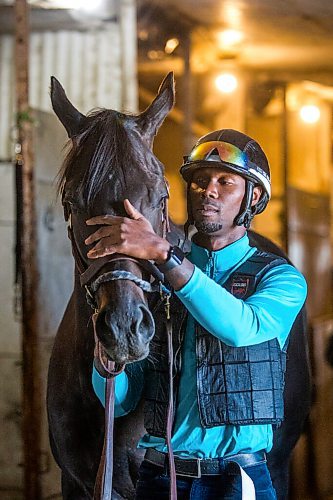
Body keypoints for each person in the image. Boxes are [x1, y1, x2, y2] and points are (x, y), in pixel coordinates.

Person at [85, 129, 307, 499]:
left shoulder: (280, 278)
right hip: (159, 477)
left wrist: (165, 255)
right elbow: (123, 400)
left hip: (237, 481)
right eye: (200, 181)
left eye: (226, 182)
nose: (210, 190)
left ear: (253, 197)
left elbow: (241, 328)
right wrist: (108, 363)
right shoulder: (156, 285)